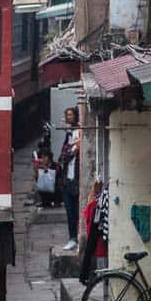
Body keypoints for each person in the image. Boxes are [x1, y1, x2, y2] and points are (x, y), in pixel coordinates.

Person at [59, 107, 81, 251]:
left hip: (77, 181)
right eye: (67, 115)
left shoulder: (79, 131)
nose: (68, 117)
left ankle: (77, 238)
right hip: (68, 180)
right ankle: (72, 238)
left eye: (71, 114)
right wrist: (73, 148)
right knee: (70, 212)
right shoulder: (69, 134)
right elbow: (62, 156)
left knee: (77, 212)